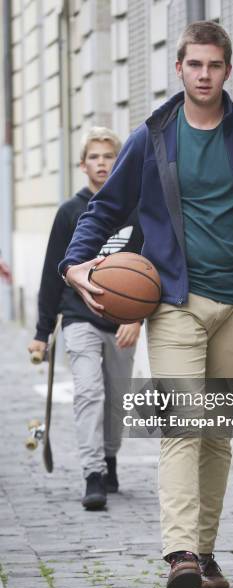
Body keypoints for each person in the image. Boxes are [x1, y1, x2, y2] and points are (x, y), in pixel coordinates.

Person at [58, 22, 233, 588]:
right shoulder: (152, 138)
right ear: (179, 68)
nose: (204, 75)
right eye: (194, 65)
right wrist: (74, 264)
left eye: (214, 66)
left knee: (216, 433)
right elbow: (106, 210)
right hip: (175, 301)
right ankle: (178, 553)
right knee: (183, 424)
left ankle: (203, 552)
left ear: (229, 71)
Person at [28, 127, 143, 511]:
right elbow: (51, 273)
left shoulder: (136, 210)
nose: (101, 163)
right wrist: (42, 333)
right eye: (94, 157)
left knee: (116, 397)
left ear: (119, 161)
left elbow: (151, 269)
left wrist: (139, 317)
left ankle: (110, 458)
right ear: (82, 165)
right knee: (89, 392)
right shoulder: (70, 212)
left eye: (108, 156)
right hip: (79, 317)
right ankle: (92, 474)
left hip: (123, 320)